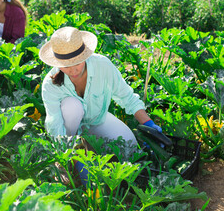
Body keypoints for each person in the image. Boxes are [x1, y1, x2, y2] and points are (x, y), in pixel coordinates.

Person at [39, 26, 162, 186]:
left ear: (84, 55)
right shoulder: (50, 84)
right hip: (69, 130)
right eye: (65, 65)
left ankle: (91, 146)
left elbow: (126, 96)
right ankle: (68, 162)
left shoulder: (102, 65)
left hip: (97, 121)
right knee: (72, 107)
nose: (73, 70)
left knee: (129, 145)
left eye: (77, 62)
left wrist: (148, 123)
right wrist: (70, 154)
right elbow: (55, 125)